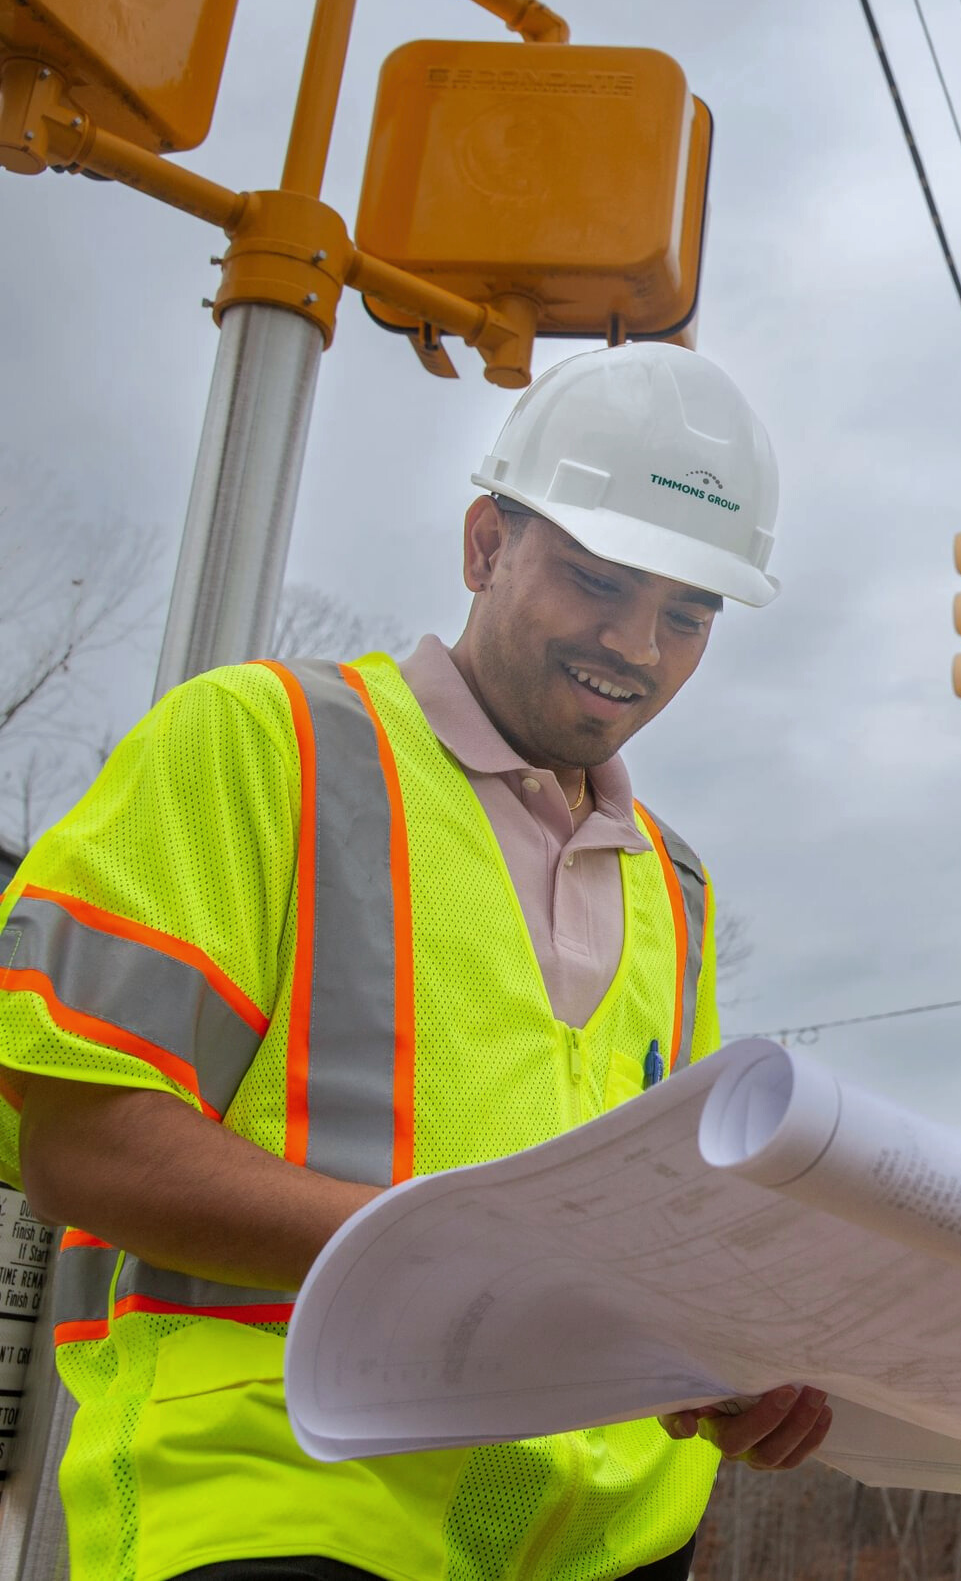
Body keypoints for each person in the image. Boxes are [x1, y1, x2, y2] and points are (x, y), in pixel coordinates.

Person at [0, 344, 829, 1581]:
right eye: (599, 580)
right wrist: (475, 1256)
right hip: (285, 1506)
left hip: (609, 1539)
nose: (638, 645)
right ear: (486, 544)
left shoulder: (676, 882)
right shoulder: (260, 739)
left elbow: (658, 1223)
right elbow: (75, 1133)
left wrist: (734, 1346)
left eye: (688, 613)